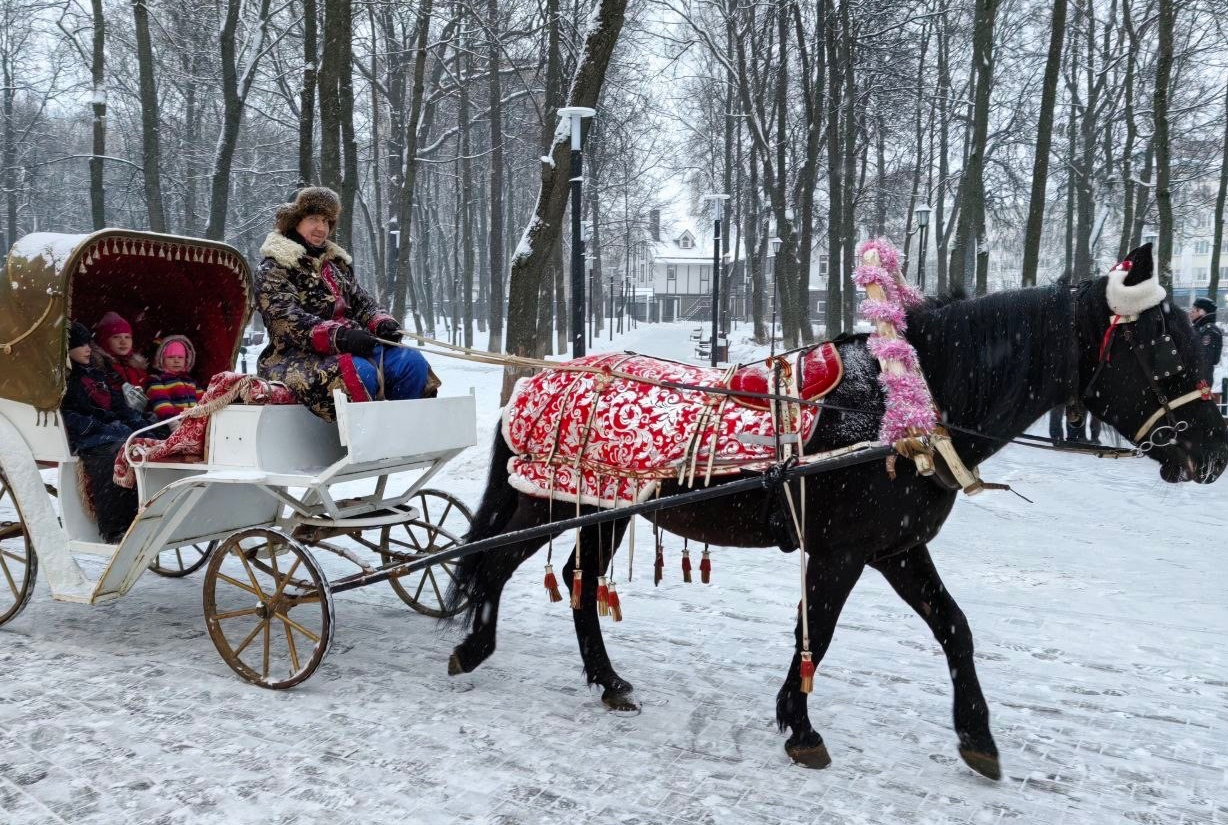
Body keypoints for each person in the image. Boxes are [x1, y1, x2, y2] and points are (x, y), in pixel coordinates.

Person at [254, 186, 438, 420]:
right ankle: (370, 442)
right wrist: (339, 336)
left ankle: (404, 432)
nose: (321, 228)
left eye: (326, 220)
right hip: (294, 356)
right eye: (313, 219)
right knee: (360, 373)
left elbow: (362, 302)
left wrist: (381, 323)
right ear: (294, 220)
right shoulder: (273, 267)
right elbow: (286, 321)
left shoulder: (336, 265)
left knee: (411, 363)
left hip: (350, 346)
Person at [61, 321, 152, 543]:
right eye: (80, 345)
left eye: (88, 344)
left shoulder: (96, 375)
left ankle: (142, 512)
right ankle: (113, 526)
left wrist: (142, 426)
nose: (87, 349)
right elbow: (68, 414)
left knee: (144, 445)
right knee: (116, 453)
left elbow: (119, 405)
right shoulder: (66, 381)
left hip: (111, 430)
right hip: (88, 437)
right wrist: (97, 426)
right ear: (67, 349)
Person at [92, 311, 148, 411]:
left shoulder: (138, 368)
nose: (123, 342)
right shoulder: (99, 367)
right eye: (116, 337)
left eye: (127, 337)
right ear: (105, 340)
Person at [144, 335, 205, 423]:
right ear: (162, 359)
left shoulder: (191, 382)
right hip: (172, 424)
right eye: (171, 357)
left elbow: (204, 401)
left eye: (180, 357)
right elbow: (162, 405)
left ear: (186, 360)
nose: (176, 361)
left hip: (194, 423)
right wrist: (173, 422)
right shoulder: (157, 380)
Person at [1188, 297, 1222, 394]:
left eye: (1193, 310)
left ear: (1202, 312)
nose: (1190, 313)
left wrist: (1200, 383)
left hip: (1199, 384)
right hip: (1193, 382)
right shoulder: (1199, 329)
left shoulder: (1209, 331)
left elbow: (1205, 360)